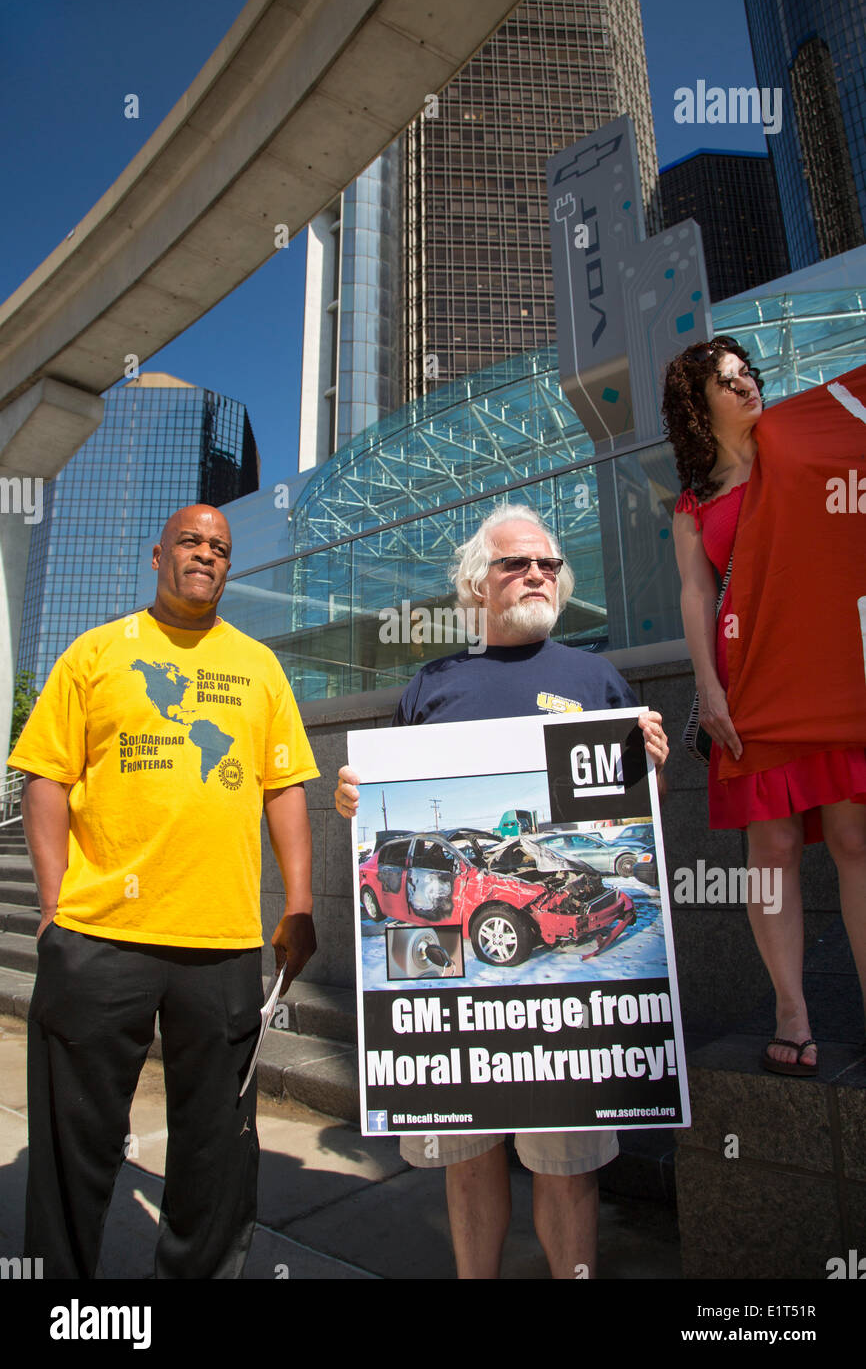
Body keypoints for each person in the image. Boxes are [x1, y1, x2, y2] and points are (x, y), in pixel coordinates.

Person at [335, 502, 669, 1279]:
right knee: (469, 1155)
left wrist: (646, 763)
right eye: (517, 564)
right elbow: (385, 797)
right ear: (477, 585)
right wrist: (356, 795)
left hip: (564, 1032)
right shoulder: (431, 685)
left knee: (568, 1164)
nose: (537, 576)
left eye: (548, 565)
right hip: (459, 1022)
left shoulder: (597, 676)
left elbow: (628, 811)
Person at [8, 504, 319, 1279]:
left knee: (216, 1151)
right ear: (158, 556)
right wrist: (52, 912)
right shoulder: (97, 653)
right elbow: (45, 777)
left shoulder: (259, 666)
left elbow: (285, 789)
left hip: (218, 944)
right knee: (73, 1149)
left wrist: (301, 906)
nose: (206, 554)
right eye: (191, 541)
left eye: (219, 547)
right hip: (98, 937)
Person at [665, 337, 866, 1077]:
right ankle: (792, 1010)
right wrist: (708, 688)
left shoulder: (801, 440)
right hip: (750, 686)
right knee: (770, 851)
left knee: (854, 841)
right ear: (699, 404)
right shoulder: (691, 507)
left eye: (748, 372)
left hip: (830, 672)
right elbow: (694, 595)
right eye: (727, 380)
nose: (746, 384)